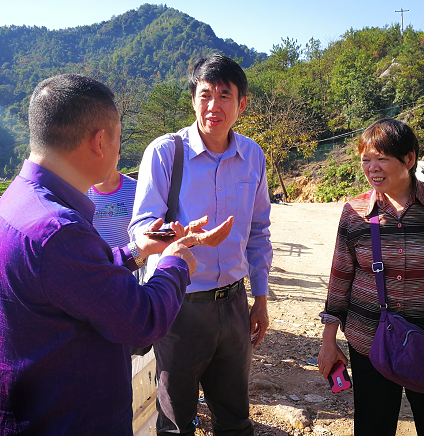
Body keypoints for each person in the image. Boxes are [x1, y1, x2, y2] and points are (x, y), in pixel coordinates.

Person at [0, 73, 233, 436]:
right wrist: (177, 261)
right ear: (100, 141)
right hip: (70, 420)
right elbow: (142, 321)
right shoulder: (58, 231)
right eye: (117, 138)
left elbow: (77, 281)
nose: (119, 151)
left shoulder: (22, 200)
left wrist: (138, 249)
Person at [129, 53, 273, 436]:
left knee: (235, 415)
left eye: (225, 96)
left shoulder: (252, 155)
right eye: (205, 94)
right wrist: (179, 236)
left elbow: (258, 230)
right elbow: (141, 230)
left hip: (234, 304)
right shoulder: (165, 153)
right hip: (179, 307)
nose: (214, 106)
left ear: (241, 103)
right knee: (177, 421)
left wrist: (259, 298)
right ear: (193, 98)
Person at [317, 118, 424, 436]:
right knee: (373, 426)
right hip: (368, 342)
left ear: (409, 159)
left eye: (382, 158)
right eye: (366, 159)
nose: (372, 168)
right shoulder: (355, 213)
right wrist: (328, 342)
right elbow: (340, 279)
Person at [86, 153, 137, 248]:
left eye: (108, 155)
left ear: (118, 156)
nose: (103, 160)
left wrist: (138, 261)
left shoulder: (136, 188)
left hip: (132, 257)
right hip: (97, 260)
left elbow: (142, 234)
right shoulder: (83, 191)